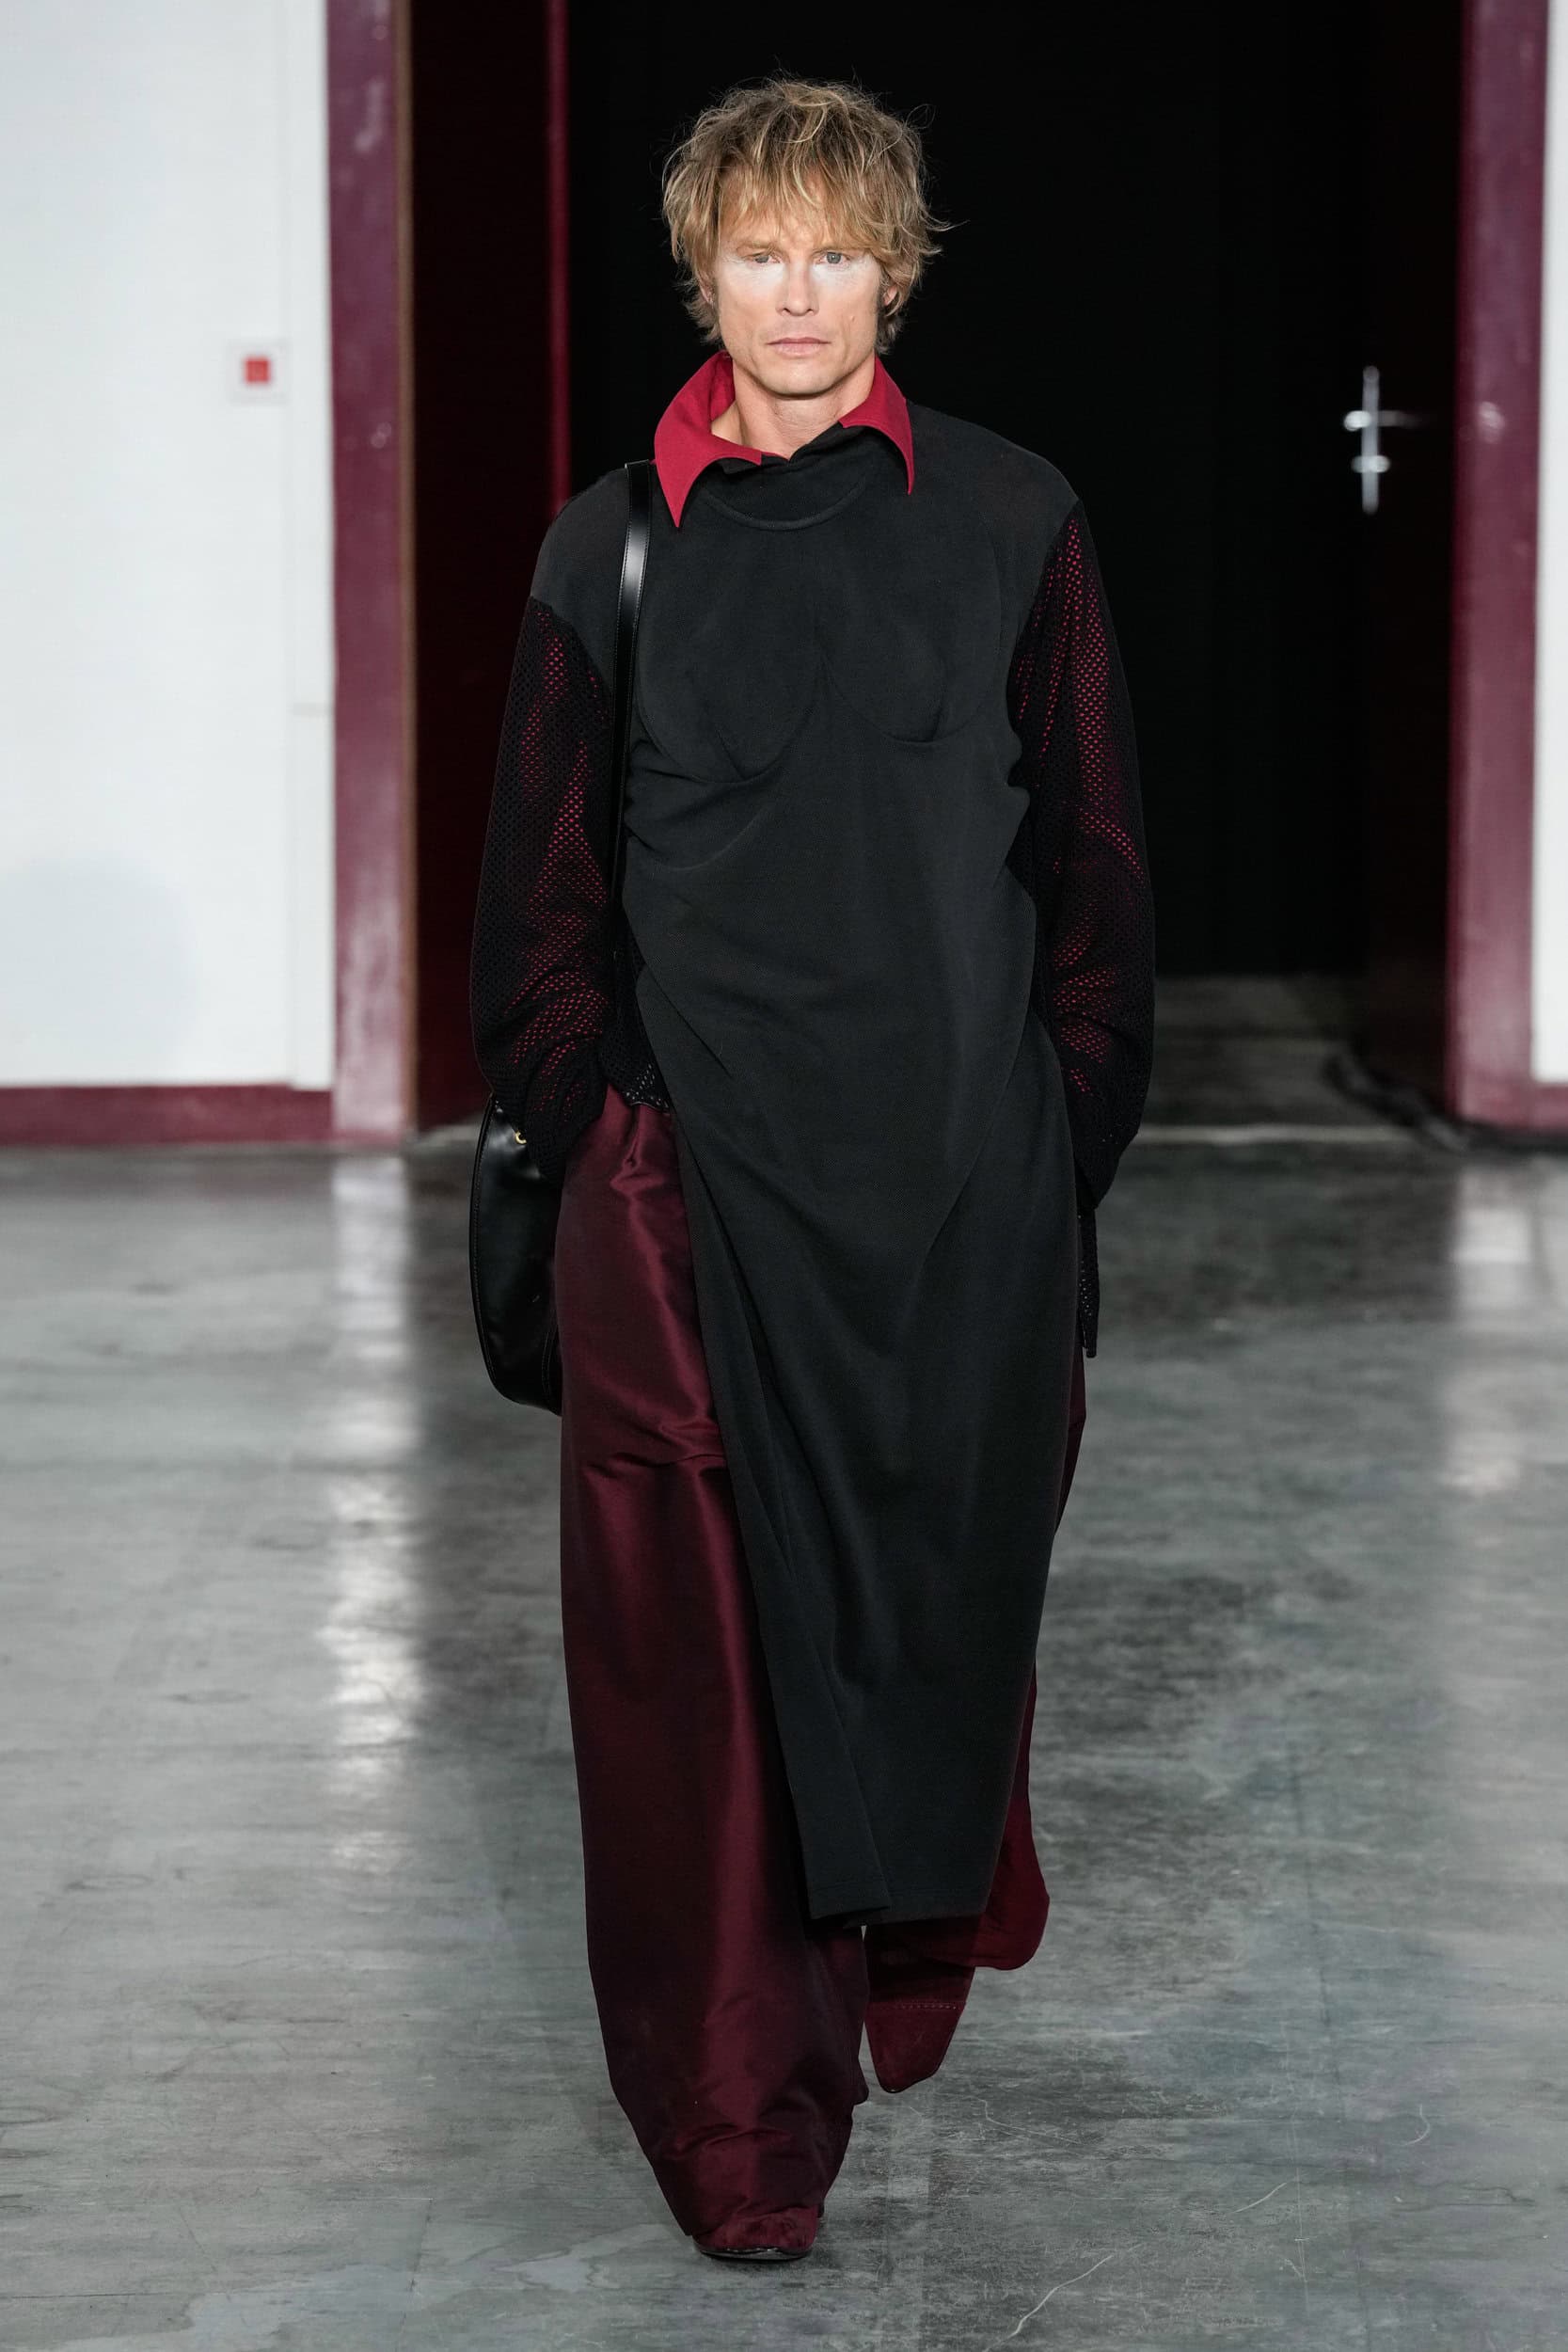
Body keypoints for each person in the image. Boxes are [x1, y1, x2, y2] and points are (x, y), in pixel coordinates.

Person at [470, 74, 1154, 2265]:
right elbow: (537, 911)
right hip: (689, 1203)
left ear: (896, 272)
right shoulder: (611, 544)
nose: (797, 291)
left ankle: (892, 1956)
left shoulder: (1012, 516)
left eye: (837, 250)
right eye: (759, 250)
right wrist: (614, 1135)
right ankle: (737, 2125)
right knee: (697, 1691)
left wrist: (1048, 1142)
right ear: (703, 270)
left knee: (930, 1632)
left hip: (959, 1199)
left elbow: (1095, 871)